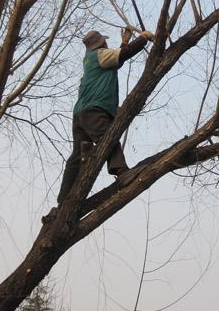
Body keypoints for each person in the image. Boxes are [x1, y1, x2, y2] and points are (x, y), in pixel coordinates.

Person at [57, 27, 153, 203]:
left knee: (77, 155)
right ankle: (122, 173)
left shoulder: (91, 59)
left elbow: (116, 59)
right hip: (95, 109)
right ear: (101, 43)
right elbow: (123, 55)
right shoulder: (99, 55)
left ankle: (64, 198)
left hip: (81, 114)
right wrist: (143, 38)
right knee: (108, 138)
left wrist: (124, 42)